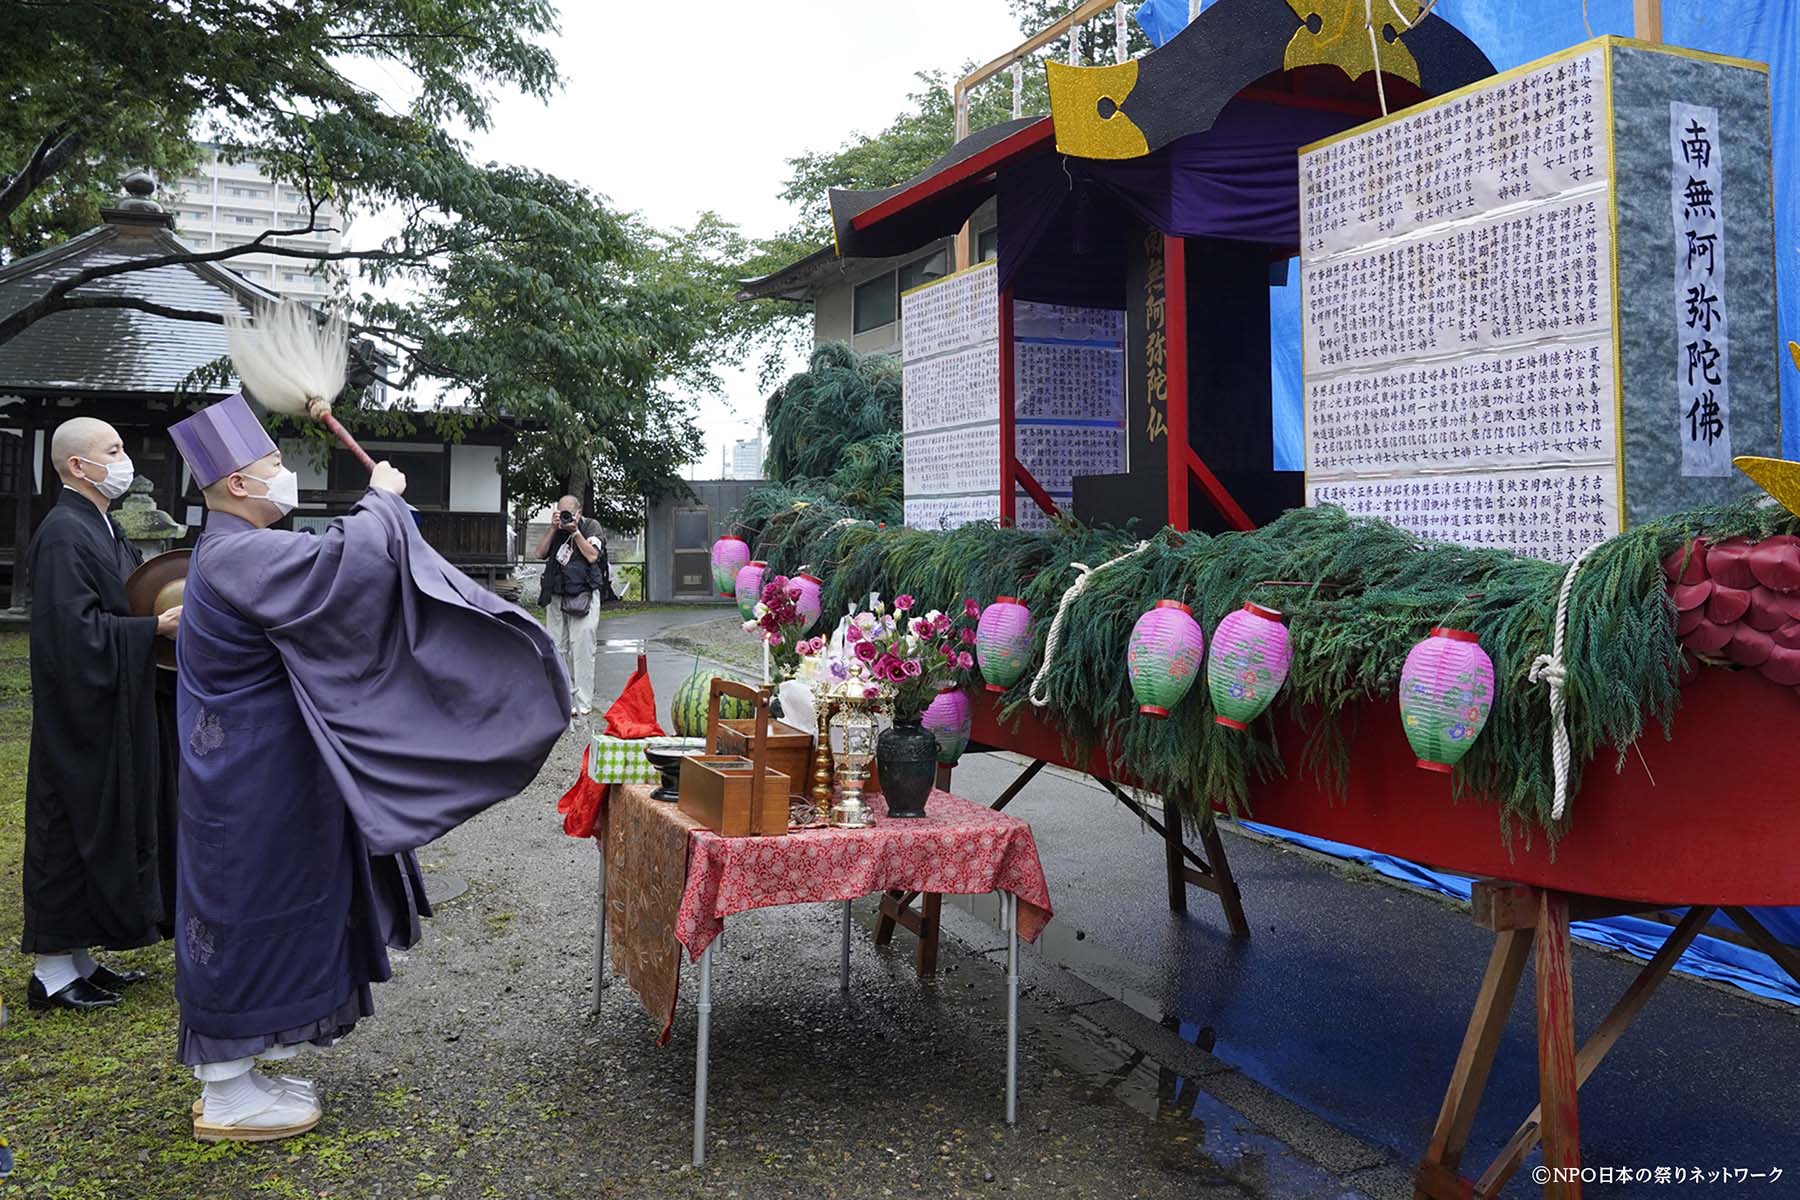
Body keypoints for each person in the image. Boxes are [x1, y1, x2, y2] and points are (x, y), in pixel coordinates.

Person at [168, 392, 569, 1142]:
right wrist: (381, 503)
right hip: (251, 780)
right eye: (276, 465)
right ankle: (226, 1090)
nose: (287, 476)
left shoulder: (227, 550)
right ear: (238, 486)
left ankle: (247, 1068)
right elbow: (334, 569)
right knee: (244, 908)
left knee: (277, 904)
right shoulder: (235, 551)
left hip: (264, 771)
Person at [21, 417, 180, 1012]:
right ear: (77, 466)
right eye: (112, 451)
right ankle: (50, 974)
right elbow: (70, 634)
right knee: (68, 830)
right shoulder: (64, 531)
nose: (124, 459)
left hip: (112, 703)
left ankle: (79, 958)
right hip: (78, 712)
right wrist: (150, 631)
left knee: (103, 825)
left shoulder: (100, 524)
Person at [533, 495, 604, 717]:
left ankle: (583, 703)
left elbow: (593, 556)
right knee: (556, 648)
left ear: (578, 512)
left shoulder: (591, 526)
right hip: (556, 594)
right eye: (560, 511)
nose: (564, 517)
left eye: (568, 513)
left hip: (583, 595)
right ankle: (561, 700)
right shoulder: (555, 529)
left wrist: (575, 531)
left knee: (582, 647)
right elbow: (539, 553)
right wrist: (553, 529)